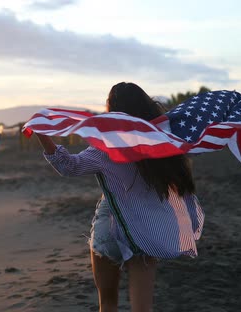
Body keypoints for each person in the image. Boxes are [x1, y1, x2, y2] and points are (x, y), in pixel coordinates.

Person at [35, 82, 204, 312]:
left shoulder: (108, 146)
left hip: (111, 224)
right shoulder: (161, 139)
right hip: (146, 227)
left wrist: (42, 133)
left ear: (112, 110)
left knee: (108, 303)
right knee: (142, 308)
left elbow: (69, 167)